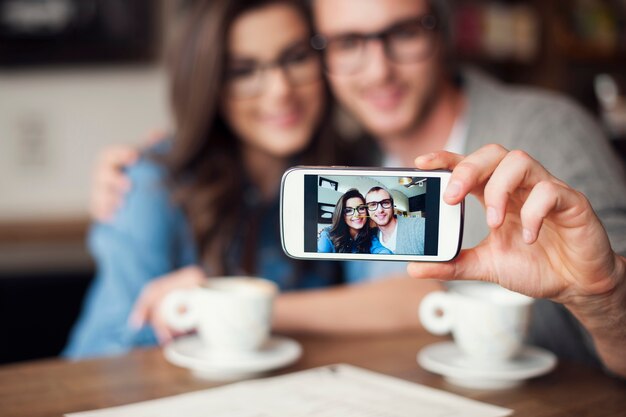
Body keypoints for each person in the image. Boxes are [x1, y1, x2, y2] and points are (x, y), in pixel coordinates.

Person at [89, 0, 626, 377]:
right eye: (348, 42)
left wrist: (600, 295)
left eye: (403, 32)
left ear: (440, 29)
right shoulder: (351, 164)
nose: (378, 69)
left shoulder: (543, 130)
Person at [318, 188, 391, 254]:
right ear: (341, 214)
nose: (357, 215)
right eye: (349, 210)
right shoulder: (327, 235)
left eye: (361, 208)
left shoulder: (369, 235)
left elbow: (380, 250)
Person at [364, 186, 425, 255]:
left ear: (392, 206)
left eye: (385, 203)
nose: (380, 210)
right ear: (367, 210)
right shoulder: (372, 237)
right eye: (373, 205)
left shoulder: (419, 226)